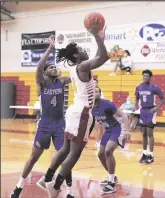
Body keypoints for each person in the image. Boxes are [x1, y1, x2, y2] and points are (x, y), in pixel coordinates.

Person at [37, 21, 109, 197]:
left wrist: (101, 38)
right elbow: (103, 58)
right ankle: (56, 185)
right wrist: (94, 35)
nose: (86, 51)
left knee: (65, 150)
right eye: (82, 50)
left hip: (74, 111)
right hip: (82, 112)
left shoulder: (76, 67)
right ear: (77, 55)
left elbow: (99, 55)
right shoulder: (82, 66)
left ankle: (46, 178)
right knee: (75, 153)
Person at [11, 35, 74, 198]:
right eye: (51, 67)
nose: (54, 68)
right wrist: (50, 48)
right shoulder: (42, 83)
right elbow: (39, 67)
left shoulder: (62, 81)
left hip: (60, 125)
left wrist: (72, 56)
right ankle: (18, 187)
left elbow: (77, 73)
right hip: (45, 125)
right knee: (33, 158)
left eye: (55, 66)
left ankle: (70, 191)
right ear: (45, 73)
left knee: (65, 157)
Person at [92, 87, 131, 194]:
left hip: (118, 127)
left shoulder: (107, 104)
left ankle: (111, 183)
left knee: (108, 151)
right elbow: (95, 123)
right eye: (93, 91)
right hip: (108, 130)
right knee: (100, 154)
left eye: (97, 91)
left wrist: (127, 130)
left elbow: (123, 115)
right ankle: (112, 176)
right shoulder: (90, 106)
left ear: (100, 94)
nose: (95, 93)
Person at [134, 70, 165, 164]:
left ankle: (151, 155)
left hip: (151, 110)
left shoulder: (154, 87)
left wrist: (157, 108)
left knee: (149, 133)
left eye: (147, 76)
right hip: (143, 110)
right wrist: (136, 107)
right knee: (143, 133)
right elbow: (136, 97)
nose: (145, 78)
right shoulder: (139, 87)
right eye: (144, 76)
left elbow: (163, 99)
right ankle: (144, 154)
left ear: (151, 77)